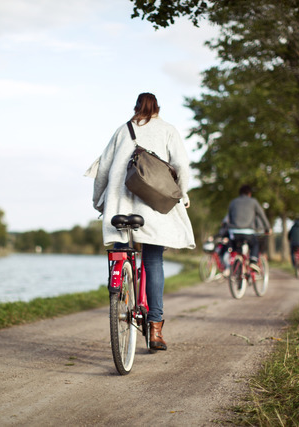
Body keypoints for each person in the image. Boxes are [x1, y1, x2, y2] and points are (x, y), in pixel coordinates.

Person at [92, 92, 195, 351]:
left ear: (136, 108)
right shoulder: (168, 130)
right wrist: (182, 195)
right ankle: (155, 328)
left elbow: (103, 169)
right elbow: (182, 166)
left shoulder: (122, 131)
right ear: (158, 108)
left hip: (119, 206)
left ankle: (119, 292)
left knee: (119, 250)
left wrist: (98, 201)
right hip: (154, 208)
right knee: (153, 260)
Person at [226, 185, 271, 270]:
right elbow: (262, 215)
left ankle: (236, 264)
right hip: (248, 232)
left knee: (236, 250)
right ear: (249, 193)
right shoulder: (253, 202)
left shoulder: (233, 202)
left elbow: (230, 217)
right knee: (255, 244)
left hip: (234, 232)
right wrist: (267, 227)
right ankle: (253, 261)